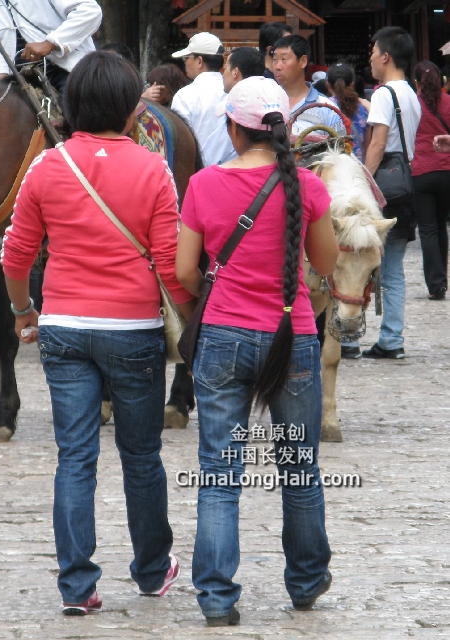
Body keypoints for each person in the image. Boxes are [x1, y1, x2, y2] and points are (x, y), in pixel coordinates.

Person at [1, 50, 195, 615]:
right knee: (142, 457)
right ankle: (153, 569)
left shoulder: (47, 166)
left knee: (75, 457)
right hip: (133, 329)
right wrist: (190, 321)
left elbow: (16, 255)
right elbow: (167, 261)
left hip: (62, 327)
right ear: (132, 109)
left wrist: (22, 312)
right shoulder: (153, 169)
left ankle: (77, 586)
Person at [176, 76, 338, 626]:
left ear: (233, 130)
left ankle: (218, 599)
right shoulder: (308, 188)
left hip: (222, 336)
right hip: (292, 337)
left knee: (219, 473)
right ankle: (307, 579)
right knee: (300, 467)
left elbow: (182, 271)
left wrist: (218, 293)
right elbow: (326, 264)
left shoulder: (202, 184)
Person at [360, 27, 421, 360]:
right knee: (394, 269)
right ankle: (392, 338)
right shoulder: (410, 92)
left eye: (373, 51)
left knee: (356, 262)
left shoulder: (384, 94)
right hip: (405, 185)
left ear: (386, 56)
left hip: (385, 187)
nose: (370, 57)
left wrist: (364, 184)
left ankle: (350, 337)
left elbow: (378, 144)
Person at [0, 0, 102, 95]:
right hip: (16, 76)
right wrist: (0, 79)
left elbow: (89, 12)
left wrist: (51, 43)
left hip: (65, 67)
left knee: (74, 118)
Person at [412, 61, 450, 300]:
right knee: (441, 227)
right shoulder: (448, 102)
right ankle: (443, 279)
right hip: (447, 170)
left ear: (416, 82)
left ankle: (436, 285)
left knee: (427, 230)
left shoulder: (413, 105)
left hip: (421, 171)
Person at [170, 32, 236, 166]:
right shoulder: (236, 92)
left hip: (197, 171)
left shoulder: (185, 95)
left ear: (199, 61)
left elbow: (179, 141)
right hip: (234, 170)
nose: (185, 63)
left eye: (187, 58)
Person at [271, 35, 344, 137]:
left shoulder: (327, 108)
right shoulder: (266, 101)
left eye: (284, 59)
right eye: (274, 59)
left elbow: (341, 147)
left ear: (303, 61)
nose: (277, 66)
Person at [327, 63, 371, 162]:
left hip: (334, 169)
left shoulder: (324, 107)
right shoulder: (364, 108)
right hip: (358, 169)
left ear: (328, 85)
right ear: (352, 84)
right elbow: (367, 147)